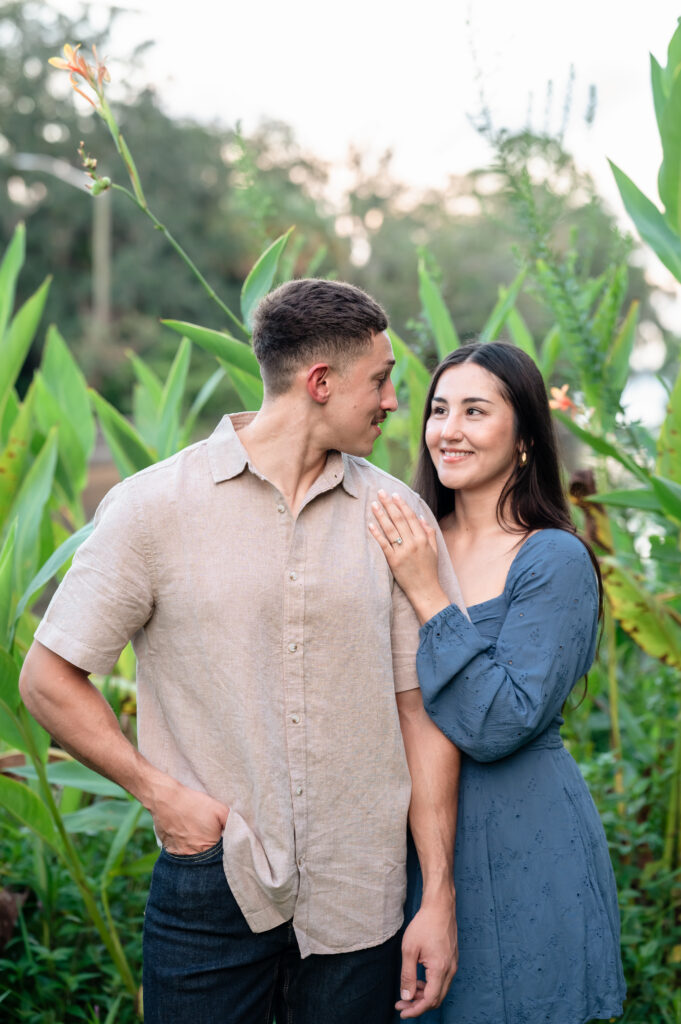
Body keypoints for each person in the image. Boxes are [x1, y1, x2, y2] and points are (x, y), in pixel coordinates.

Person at [19, 279, 463, 1024]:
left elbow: (420, 715)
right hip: (211, 883)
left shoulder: (397, 515)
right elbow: (48, 677)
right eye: (380, 380)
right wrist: (163, 797)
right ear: (319, 383)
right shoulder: (154, 507)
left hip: (362, 897)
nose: (393, 403)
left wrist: (438, 898)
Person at [370, 341, 626, 1023]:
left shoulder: (552, 558)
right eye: (438, 410)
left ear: (522, 439)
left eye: (475, 411)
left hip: (523, 839)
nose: (448, 430)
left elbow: (501, 722)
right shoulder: (404, 535)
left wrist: (428, 595)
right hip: (408, 844)